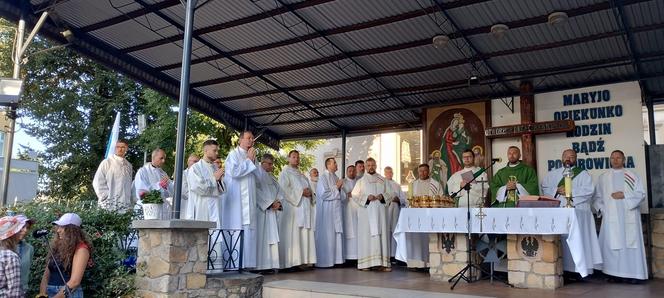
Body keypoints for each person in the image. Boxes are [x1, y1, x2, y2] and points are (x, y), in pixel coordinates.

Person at [540, 149, 601, 278]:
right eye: (566, 156)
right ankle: (564, 269)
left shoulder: (583, 174)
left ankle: (579, 270)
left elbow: (589, 190)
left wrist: (570, 191)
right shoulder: (553, 174)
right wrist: (556, 190)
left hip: (578, 212)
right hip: (560, 212)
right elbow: (545, 187)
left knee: (578, 239)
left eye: (572, 157)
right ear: (561, 158)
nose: (569, 159)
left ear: (576, 159)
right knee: (561, 239)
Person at [593, 150, 647, 283]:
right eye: (612, 158)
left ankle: (633, 275)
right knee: (612, 246)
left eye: (618, 158)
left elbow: (641, 194)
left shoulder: (632, 175)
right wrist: (603, 209)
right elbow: (597, 198)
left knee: (630, 245)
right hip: (611, 218)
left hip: (629, 216)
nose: (615, 160)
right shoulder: (603, 177)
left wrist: (625, 195)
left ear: (623, 160)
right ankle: (614, 274)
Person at [222, 131, 259, 269]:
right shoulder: (233, 155)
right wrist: (249, 161)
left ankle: (247, 264)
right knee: (236, 228)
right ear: (240, 140)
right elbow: (234, 173)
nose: (251, 141)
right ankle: (234, 264)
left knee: (249, 230)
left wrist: (253, 161)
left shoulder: (253, 157)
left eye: (252, 138)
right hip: (236, 201)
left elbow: (259, 177)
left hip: (249, 200)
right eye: (248, 138)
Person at [278, 150, 316, 269]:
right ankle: (291, 262)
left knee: (303, 234)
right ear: (288, 158)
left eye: (298, 157)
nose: (296, 159)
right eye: (294, 157)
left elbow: (309, 188)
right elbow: (284, 189)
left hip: (304, 207)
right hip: (293, 208)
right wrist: (301, 193)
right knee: (294, 234)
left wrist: (310, 194)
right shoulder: (285, 172)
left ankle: (303, 261)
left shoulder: (301, 174)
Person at [351, 157, 390, 272]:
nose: (370, 167)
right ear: (366, 167)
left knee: (381, 235)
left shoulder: (383, 180)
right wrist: (366, 198)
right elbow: (354, 195)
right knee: (366, 237)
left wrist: (383, 196)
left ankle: (382, 263)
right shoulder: (361, 181)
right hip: (366, 214)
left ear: (376, 165)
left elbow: (391, 193)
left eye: (372, 165)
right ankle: (366, 264)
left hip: (380, 213)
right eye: (368, 165)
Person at [38, 213, 91, 298]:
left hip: (69, 294)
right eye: (58, 227)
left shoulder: (81, 249)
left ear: (72, 230)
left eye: (62, 227)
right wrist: (42, 294)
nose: (58, 230)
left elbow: (75, 282)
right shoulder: (57, 246)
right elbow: (46, 274)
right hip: (50, 292)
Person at [408, 164, 444, 269]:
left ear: (429, 172)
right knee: (417, 239)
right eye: (420, 171)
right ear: (417, 172)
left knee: (429, 239)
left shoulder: (436, 184)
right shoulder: (413, 185)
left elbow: (440, 199)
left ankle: (429, 263)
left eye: (425, 171)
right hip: (417, 216)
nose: (422, 173)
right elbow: (409, 200)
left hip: (430, 216)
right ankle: (416, 264)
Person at [315, 158, 345, 268]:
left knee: (336, 234)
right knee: (328, 234)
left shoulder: (336, 177)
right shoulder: (323, 177)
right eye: (334, 163)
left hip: (337, 211)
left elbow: (343, 195)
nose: (337, 164)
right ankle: (326, 261)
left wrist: (340, 189)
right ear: (328, 165)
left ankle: (337, 260)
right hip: (327, 212)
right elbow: (324, 194)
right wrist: (337, 187)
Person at [255, 153, 282, 271]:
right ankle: (260, 265)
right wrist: (269, 204)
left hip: (272, 211)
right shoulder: (256, 175)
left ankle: (271, 264)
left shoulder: (272, 177)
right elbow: (255, 192)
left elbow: (279, 191)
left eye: (272, 164)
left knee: (271, 238)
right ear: (263, 163)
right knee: (262, 237)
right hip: (261, 212)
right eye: (270, 164)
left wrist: (278, 203)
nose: (272, 166)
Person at [187, 140, 225, 223]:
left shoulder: (215, 167)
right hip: (202, 207)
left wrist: (220, 181)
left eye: (217, 150)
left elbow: (222, 190)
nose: (217, 153)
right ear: (206, 150)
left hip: (215, 206)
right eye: (214, 150)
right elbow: (198, 187)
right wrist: (214, 178)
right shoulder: (195, 168)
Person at [93, 139, 134, 212]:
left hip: (125, 204)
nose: (120, 149)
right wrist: (105, 196)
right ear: (115, 148)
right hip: (109, 204)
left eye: (123, 147)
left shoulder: (129, 165)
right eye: (118, 147)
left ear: (126, 148)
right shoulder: (107, 162)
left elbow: (129, 185)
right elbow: (97, 181)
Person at [134, 148, 173, 219]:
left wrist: (167, 187)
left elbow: (170, 193)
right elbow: (141, 192)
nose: (163, 161)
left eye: (164, 158)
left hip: (161, 208)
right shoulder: (143, 171)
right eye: (161, 158)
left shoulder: (163, 173)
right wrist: (159, 185)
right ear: (154, 157)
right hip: (147, 208)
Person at [0, 215, 27, 298]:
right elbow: (14, 293)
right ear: (12, 234)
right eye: (18, 230)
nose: (21, 232)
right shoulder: (11, 256)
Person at [384, 166, 405, 259]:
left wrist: (399, 199)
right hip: (386, 209)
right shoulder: (382, 184)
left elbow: (403, 199)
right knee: (386, 230)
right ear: (384, 173)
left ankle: (394, 255)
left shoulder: (397, 185)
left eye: (391, 172)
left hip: (395, 209)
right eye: (387, 172)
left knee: (394, 230)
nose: (389, 174)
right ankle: (386, 254)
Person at [341, 165, 358, 262]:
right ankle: (348, 257)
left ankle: (357, 257)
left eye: (353, 171)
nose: (351, 173)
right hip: (347, 210)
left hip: (358, 210)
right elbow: (340, 195)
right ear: (347, 172)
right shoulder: (343, 182)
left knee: (357, 232)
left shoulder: (359, 182)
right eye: (350, 171)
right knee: (349, 232)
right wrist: (347, 194)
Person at [16, 215, 35, 296]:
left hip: (22, 292)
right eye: (22, 227)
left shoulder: (29, 249)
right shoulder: (3, 247)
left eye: (27, 228)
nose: (25, 230)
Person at [182, 154, 200, 219]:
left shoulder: (200, 175)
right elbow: (184, 191)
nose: (197, 164)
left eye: (198, 162)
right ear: (188, 162)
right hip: (186, 206)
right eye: (195, 161)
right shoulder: (182, 174)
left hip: (199, 206)